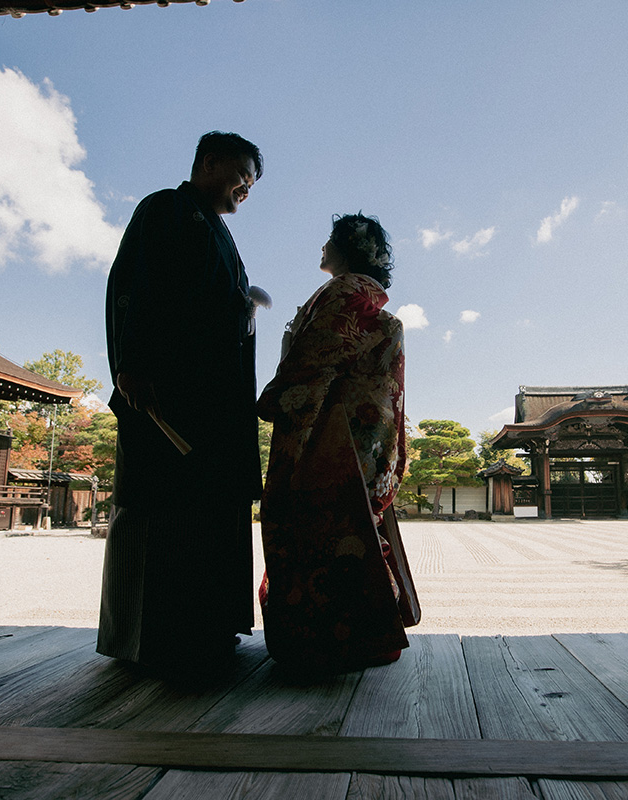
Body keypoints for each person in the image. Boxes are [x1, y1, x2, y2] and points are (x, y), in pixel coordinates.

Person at [98, 131, 264, 676]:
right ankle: (146, 637)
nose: (247, 186)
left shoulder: (221, 233)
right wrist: (130, 364)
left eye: (253, 182)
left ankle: (208, 627)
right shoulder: (164, 209)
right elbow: (131, 285)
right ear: (209, 161)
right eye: (242, 173)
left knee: (210, 511)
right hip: (166, 392)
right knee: (156, 507)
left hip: (215, 402)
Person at [257, 213, 419, 675]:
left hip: (334, 434)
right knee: (353, 530)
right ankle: (365, 634)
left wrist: (276, 396)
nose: (322, 248)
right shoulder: (360, 296)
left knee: (321, 528)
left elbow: (315, 357)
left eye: (329, 240)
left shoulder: (344, 292)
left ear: (348, 246)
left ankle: (330, 640)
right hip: (360, 433)